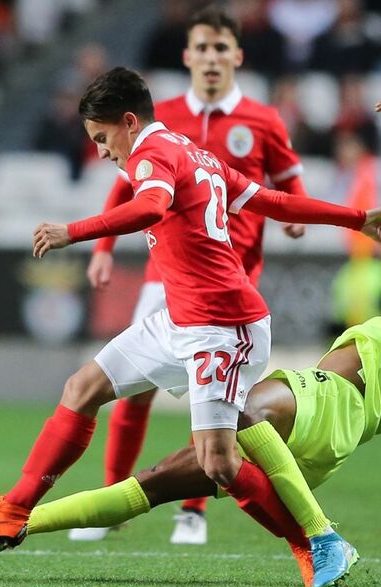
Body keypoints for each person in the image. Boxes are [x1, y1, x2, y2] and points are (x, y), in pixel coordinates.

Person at [11, 87, 381, 587]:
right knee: (166, 478)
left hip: (326, 398)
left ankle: (323, 537)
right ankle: (9, 523)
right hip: (336, 445)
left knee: (234, 418)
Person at [0, 68, 381, 587]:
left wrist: (72, 231)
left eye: (102, 138)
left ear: (129, 122)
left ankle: (317, 543)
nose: (101, 153)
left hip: (224, 328)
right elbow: (270, 201)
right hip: (180, 317)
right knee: (83, 387)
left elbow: (149, 207)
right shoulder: (192, 153)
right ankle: (12, 509)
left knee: (220, 464)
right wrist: (354, 217)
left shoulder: (152, 154)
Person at [81, 7, 316, 546]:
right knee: (131, 390)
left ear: (237, 55)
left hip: (230, 279)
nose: (210, 58)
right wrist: (103, 248)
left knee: (213, 405)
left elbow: (287, 182)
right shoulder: (158, 122)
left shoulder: (263, 120)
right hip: (164, 276)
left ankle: (192, 510)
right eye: (201, 48)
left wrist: (298, 217)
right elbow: (126, 188)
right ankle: (111, 502)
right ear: (186, 56)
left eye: (220, 48)